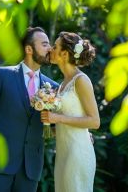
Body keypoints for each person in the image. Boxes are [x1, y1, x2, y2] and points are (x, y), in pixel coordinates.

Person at [0, 27, 58, 192]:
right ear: (29, 49)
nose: (49, 49)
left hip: (31, 168)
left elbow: (54, 127)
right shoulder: (0, 76)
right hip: (0, 163)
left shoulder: (53, 87)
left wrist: (81, 133)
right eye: (44, 44)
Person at [41, 31, 100, 192]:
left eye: (54, 47)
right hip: (63, 154)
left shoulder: (81, 80)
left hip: (78, 153)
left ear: (65, 54)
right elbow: (70, 119)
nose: (50, 50)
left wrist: (57, 118)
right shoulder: (62, 84)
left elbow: (95, 121)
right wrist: (48, 129)